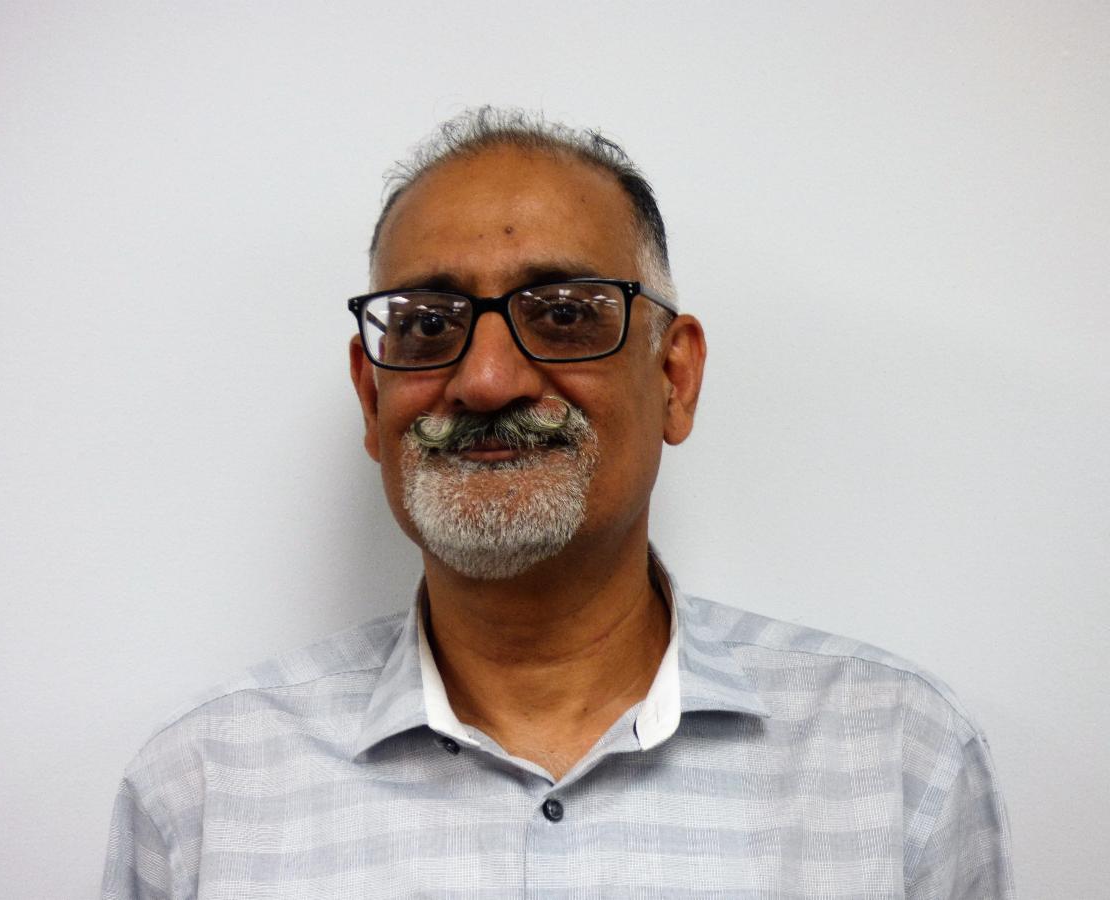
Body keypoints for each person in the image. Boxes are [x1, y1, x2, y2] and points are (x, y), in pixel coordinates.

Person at [102, 107, 1016, 898]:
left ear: (675, 379)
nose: (486, 380)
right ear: (371, 398)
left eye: (565, 313)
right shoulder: (205, 790)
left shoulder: (898, 763)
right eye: (427, 325)